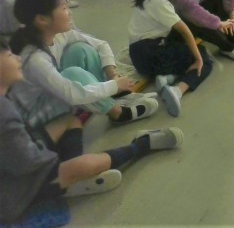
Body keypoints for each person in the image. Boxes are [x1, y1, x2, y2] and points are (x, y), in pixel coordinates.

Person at [0, 38, 183, 225]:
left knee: (70, 121)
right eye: (9, 55)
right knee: (81, 166)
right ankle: (141, 145)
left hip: (17, 156)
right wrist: (56, 164)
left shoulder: (5, 102)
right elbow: (28, 163)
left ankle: (72, 182)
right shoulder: (4, 110)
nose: (17, 58)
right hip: (12, 187)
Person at [8, 0, 158, 130]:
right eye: (64, 8)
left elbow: (101, 45)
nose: (70, 13)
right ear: (42, 19)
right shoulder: (35, 59)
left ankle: (109, 98)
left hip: (55, 94)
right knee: (72, 73)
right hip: (36, 117)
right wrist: (114, 85)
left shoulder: (59, 34)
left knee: (81, 49)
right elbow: (70, 93)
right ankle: (117, 113)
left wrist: (111, 75)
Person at [128, 0, 214, 117]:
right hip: (150, 55)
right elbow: (185, 31)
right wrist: (198, 58)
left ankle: (167, 77)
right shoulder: (159, 2)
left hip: (142, 54)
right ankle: (178, 90)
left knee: (183, 42)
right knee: (204, 59)